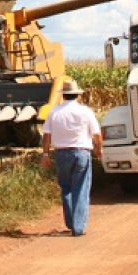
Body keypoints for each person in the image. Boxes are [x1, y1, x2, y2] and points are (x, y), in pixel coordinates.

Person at [40, 78, 103, 236]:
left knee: (66, 187)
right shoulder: (85, 111)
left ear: (63, 95)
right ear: (77, 95)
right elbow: (97, 134)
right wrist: (98, 150)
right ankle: (78, 227)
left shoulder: (54, 112)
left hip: (62, 154)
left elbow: (46, 135)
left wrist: (45, 154)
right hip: (82, 152)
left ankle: (70, 221)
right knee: (80, 188)